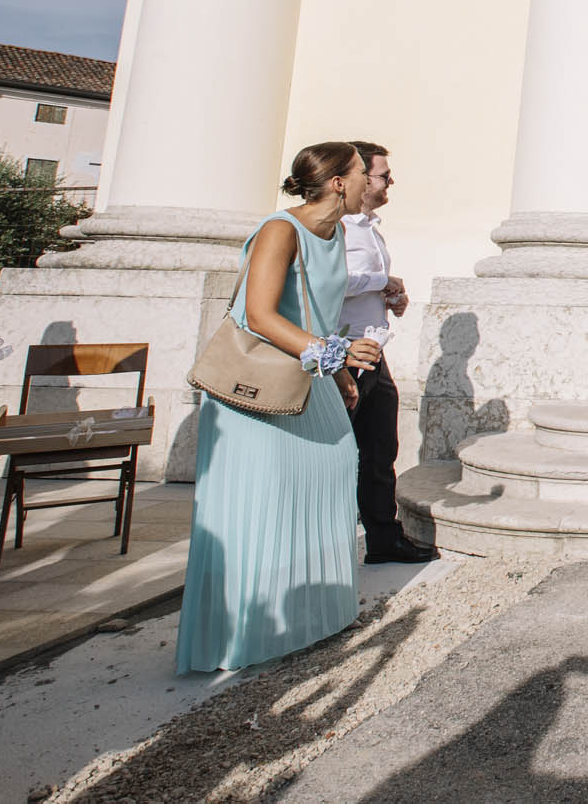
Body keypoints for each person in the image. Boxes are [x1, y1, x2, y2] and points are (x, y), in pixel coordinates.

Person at [176, 142, 383, 675]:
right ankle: (247, 633)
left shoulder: (336, 234)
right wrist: (334, 355)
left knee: (335, 469)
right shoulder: (279, 229)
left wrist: (337, 371)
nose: (370, 183)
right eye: (363, 173)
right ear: (339, 181)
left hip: (311, 378)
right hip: (257, 394)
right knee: (261, 501)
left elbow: (323, 314)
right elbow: (261, 316)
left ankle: (312, 617)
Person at [339, 141, 436, 566]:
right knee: (345, 452)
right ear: (354, 178)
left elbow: (363, 285)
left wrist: (389, 296)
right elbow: (330, 282)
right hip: (343, 354)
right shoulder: (334, 228)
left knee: (381, 449)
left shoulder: (370, 229)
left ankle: (383, 537)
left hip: (375, 349)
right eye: (381, 174)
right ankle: (337, 537)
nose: (388, 181)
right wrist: (381, 281)